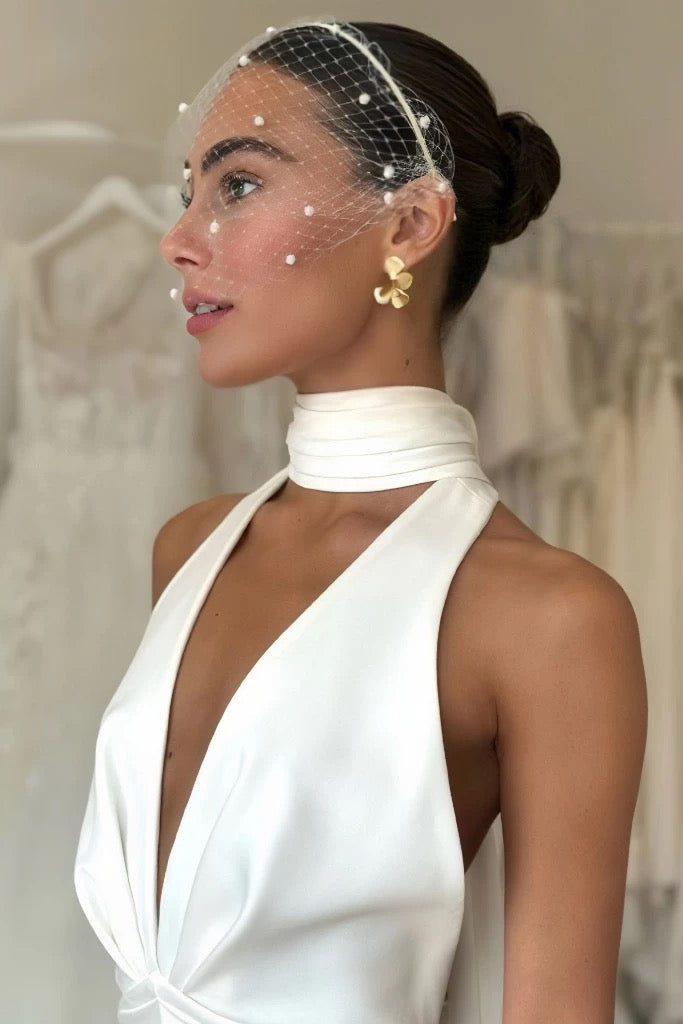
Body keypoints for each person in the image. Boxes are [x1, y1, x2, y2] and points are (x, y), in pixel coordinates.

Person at [74, 17, 648, 1023]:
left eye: (237, 184)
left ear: (408, 224)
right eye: (189, 191)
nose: (178, 237)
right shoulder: (190, 547)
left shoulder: (546, 616)